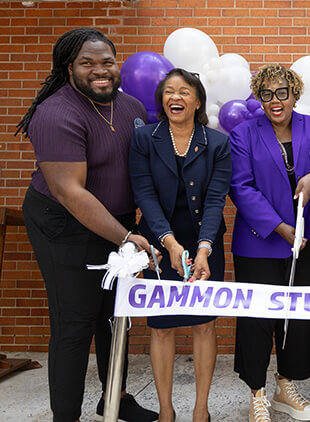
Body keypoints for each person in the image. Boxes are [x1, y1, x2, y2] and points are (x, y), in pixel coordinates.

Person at [17, 28, 159, 422]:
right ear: (69, 67)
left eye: (107, 62)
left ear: (118, 64)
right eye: (87, 63)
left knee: (117, 315)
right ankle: (66, 414)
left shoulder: (131, 107)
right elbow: (70, 192)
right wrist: (126, 236)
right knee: (76, 319)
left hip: (118, 224)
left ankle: (115, 396)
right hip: (64, 225)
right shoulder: (55, 113)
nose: (100, 71)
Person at [229, 64, 310, 422]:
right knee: (258, 320)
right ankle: (257, 392)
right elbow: (241, 188)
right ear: (259, 96)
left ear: (295, 94)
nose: (275, 101)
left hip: (303, 242)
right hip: (259, 242)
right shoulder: (243, 134)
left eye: (282, 93)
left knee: (297, 317)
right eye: (267, 94)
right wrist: (279, 227)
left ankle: (284, 386)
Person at [129, 68, 232, 422]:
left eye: (185, 91)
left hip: (205, 242)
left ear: (198, 100)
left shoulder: (217, 143)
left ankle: (201, 410)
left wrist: (203, 248)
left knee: (203, 324)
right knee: (161, 325)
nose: (176, 97)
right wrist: (169, 243)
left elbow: (217, 199)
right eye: (169, 91)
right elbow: (145, 194)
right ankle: (166, 411)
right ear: (162, 99)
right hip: (158, 244)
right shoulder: (144, 138)